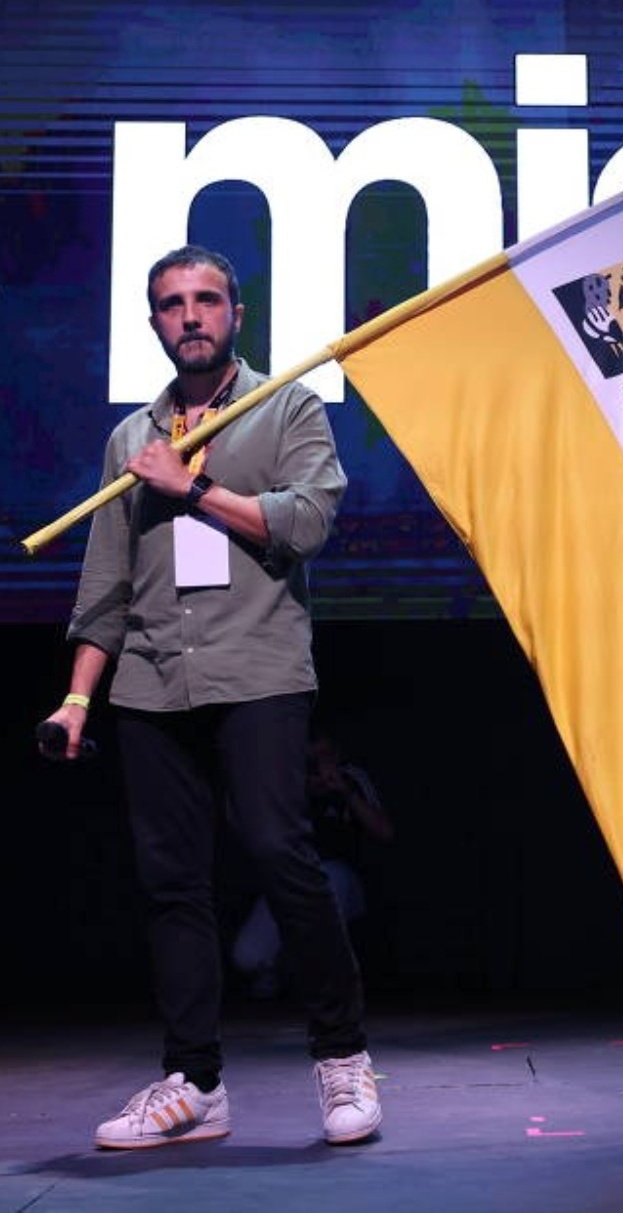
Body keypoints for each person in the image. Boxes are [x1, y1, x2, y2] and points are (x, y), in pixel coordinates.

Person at [37, 245, 381, 1150]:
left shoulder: (288, 407)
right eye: (171, 303)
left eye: (206, 299)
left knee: (278, 852)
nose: (189, 315)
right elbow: (105, 586)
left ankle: (342, 1053)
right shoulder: (130, 441)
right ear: (153, 321)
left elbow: (306, 521)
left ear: (236, 312)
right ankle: (194, 1081)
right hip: (152, 681)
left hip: (258, 669)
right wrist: (76, 701)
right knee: (171, 882)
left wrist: (189, 485)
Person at [232, 729, 394, 998]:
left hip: (339, 878)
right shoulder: (288, 782)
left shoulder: (351, 778)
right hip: (290, 878)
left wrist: (345, 793)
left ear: (337, 755)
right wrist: (301, 793)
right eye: (313, 759)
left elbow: (385, 832)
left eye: (325, 757)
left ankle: (321, 981)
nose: (320, 766)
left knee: (332, 879)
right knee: (246, 956)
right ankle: (282, 972)